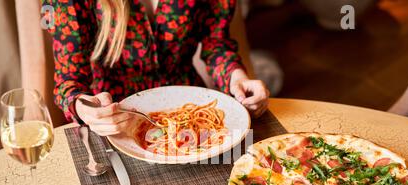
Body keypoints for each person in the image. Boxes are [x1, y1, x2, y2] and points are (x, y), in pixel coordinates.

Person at [45, 0, 270, 136]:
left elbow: (216, 43)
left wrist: (236, 76)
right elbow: (68, 82)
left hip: (192, 115)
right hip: (114, 121)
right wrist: (85, 110)